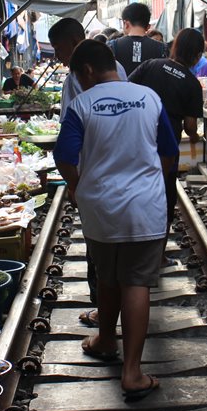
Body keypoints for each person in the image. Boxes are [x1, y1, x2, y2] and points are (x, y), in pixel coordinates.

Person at [54, 40, 179, 401]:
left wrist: (76, 185)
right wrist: (151, 178)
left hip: (100, 207)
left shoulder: (81, 104)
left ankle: (107, 340)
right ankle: (133, 373)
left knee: (108, 276)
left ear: (88, 71)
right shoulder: (149, 98)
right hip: (145, 207)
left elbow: (64, 155)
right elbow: (168, 153)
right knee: (137, 282)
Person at [49, 18, 130, 329]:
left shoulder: (85, 75)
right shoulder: (106, 69)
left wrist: (75, 183)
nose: (57, 55)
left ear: (73, 41)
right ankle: (110, 309)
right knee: (114, 253)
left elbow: (71, 136)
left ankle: (103, 312)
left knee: (100, 250)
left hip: (96, 173)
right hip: (113, 172)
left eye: (58, 48)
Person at [129, 28, 205, 227]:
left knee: (134, 185)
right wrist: (195, 137)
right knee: (164, 192)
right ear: (197, 56)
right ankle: (159, 253)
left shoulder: (150, 65)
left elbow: (126, 90)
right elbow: (189, 126)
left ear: (174, 47)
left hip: (137, 139)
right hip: (166, 147)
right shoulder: (192, 84)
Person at [108, 3, 167, 76]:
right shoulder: (162, 49)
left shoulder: (111, 46)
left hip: (120, 87)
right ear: (148, 26)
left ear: (126, 24)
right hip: (151, 87)